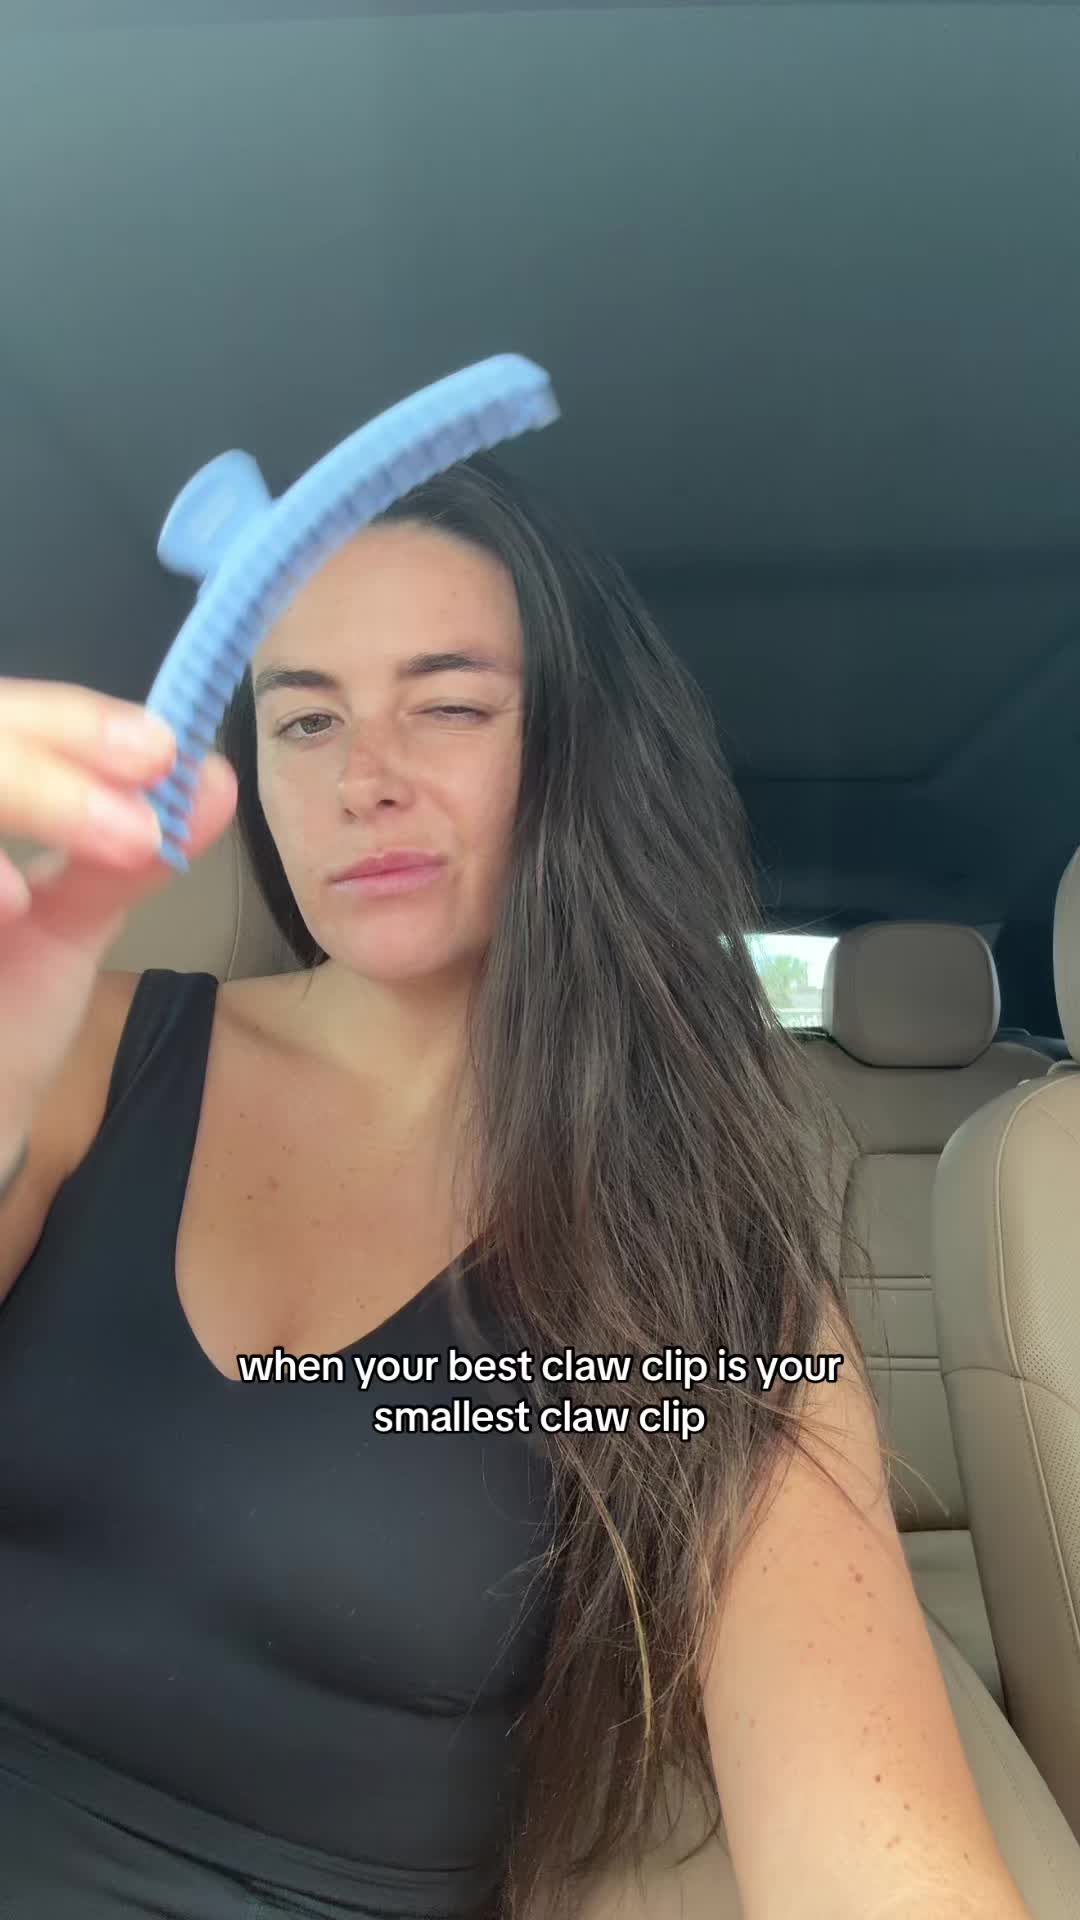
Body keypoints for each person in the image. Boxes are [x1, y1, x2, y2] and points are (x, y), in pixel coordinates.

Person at [0, 455, 1030, 1920]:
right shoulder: (75, 1052)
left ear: (575, 757)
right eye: (306, 718)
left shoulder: (698, 1256)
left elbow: (878, 1857)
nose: (363, 777)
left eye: (449, 705)